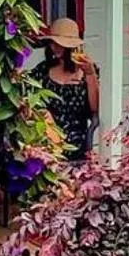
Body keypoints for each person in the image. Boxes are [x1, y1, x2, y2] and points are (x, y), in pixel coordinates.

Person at [39, 17, 98, 162]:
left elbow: (95, 107)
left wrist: (90, 74)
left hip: (76, 141)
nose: (55, 47)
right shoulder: (43, 70)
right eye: (53, 43)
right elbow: (29, 99)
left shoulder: (86, 71)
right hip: (48, 141)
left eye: (60, 44)